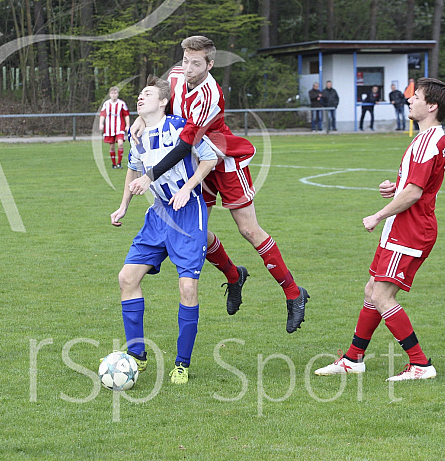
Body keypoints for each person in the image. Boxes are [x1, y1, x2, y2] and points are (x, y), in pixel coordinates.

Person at [128, 36, 309, 333]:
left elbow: (185, 144)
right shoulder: (175, 75)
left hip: (222, 159)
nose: (187, 68)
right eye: (185, 60)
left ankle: (293, 292)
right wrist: (139, 118)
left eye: (196, 63)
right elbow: (157, 98)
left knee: (248, 229)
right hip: (197, 164)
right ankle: (234, 275)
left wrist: (151, 175)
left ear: (210, 64)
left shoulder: (210, 95)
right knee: (196, 232)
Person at [314, 78, 445, 380]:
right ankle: (353, 358)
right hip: (403, 226)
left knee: (381, 295)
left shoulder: (429, 142)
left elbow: (415, 193)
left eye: (415, 97)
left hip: (410, 230)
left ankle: (420, 363)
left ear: (431, 106)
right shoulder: (427, 138)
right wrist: (396, 188)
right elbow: (415, 187)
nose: (409, 100)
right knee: (372, 290)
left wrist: (377, 215)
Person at [110, 76, 217, 384]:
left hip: (187, 214)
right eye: (140, 94)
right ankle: (137, 356)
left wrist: (188, 188)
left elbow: (209, 159)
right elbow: (135, 169)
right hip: (157, 214)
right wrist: (124, 205)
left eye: (147, 94)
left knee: (187, 288)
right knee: (126, 278)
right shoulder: (137, 135)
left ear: (163, 102)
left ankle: (182, 364)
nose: (140, 98)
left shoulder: (180, 126)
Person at [99, 86, 130, 169]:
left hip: (120, 127)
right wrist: (101, 123)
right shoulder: (106, 104)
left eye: (115, 93)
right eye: (112, 93)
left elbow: (126, 115)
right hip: (109, 128)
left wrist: (127, 125)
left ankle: (119, 163)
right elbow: (102, 114)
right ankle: (114, 164)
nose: (114, 95)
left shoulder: (122, 103)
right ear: (110, 94)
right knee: (112, 146)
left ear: (117, 94)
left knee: (120, 143)